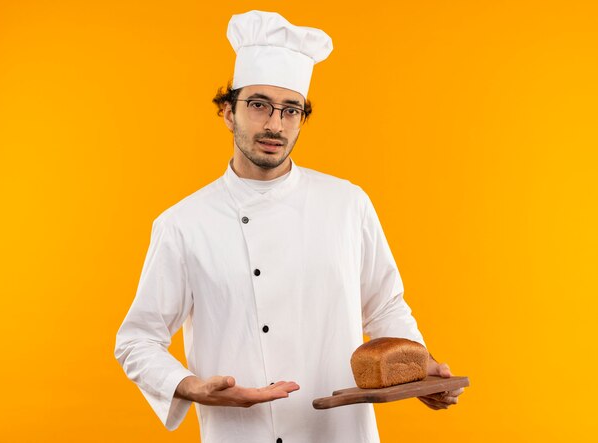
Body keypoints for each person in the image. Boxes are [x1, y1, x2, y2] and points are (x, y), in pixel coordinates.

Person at [114, 10, 463, 443]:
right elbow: (137, 340)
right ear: (227, 111)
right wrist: (193, 386)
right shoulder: (183, 224)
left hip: (340, 434)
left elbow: (386, 304)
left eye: (290, 109)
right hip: (241, 434)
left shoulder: (347, 203)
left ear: (302, 117)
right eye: (258, 105)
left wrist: (419, 367)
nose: (275, 125)